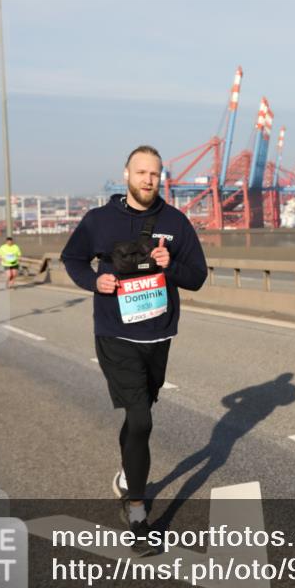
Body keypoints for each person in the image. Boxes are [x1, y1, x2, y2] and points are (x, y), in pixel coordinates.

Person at [60, 145, 208, 557]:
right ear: (125, 173)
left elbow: (197, 278)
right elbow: (72, 258)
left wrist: (169, 264)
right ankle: (139, 515)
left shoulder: (176, 223)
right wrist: (95, 283)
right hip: (115, 333)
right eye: (141, 172)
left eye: (155, 174)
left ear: (162, 178)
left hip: (159, 336)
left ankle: (128, 473)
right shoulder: (99, 220)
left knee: (139, 413)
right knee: (141, 417)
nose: (148, 180)